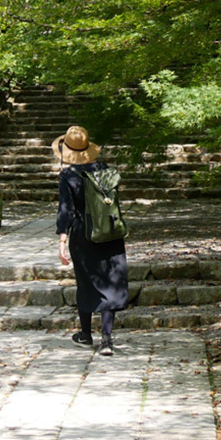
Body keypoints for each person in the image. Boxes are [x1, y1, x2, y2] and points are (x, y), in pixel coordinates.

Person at [53, 125, 129, 356]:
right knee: (109, 281)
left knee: (86, 283)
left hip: (83, 233)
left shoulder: (68, 175)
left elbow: (66, 210)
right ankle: (107, 339)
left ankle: (86, 335)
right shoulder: (106, 170)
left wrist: (62, 241)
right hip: (110, 231)